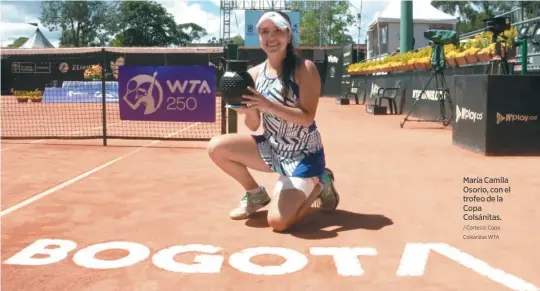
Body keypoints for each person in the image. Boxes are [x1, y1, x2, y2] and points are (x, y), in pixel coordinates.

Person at [208, 10, 339, 232]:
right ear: (259, 38)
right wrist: (247, 110)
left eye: (278, 30)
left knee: (278, 222)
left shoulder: (305, 69)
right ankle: (255, 194)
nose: (271, 37)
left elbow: (307, 118)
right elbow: (254, 125)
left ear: (289, 34)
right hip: (272, 149)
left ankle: (321, 181)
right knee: (216, 147)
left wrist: (267, 104)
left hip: (302, 154)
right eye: (264, 32)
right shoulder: (255, 74)